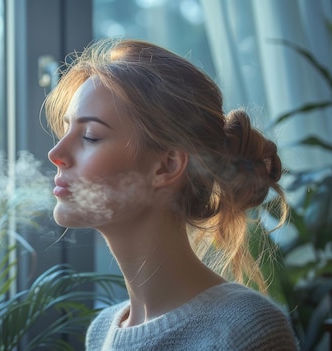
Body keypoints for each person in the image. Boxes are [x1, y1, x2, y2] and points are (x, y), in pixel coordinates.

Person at [44, 38, 298, 350]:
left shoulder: (244, 331)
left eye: (90, 136)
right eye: (66, 130)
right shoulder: (100, 333)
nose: (56, 153)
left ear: (167, 166)